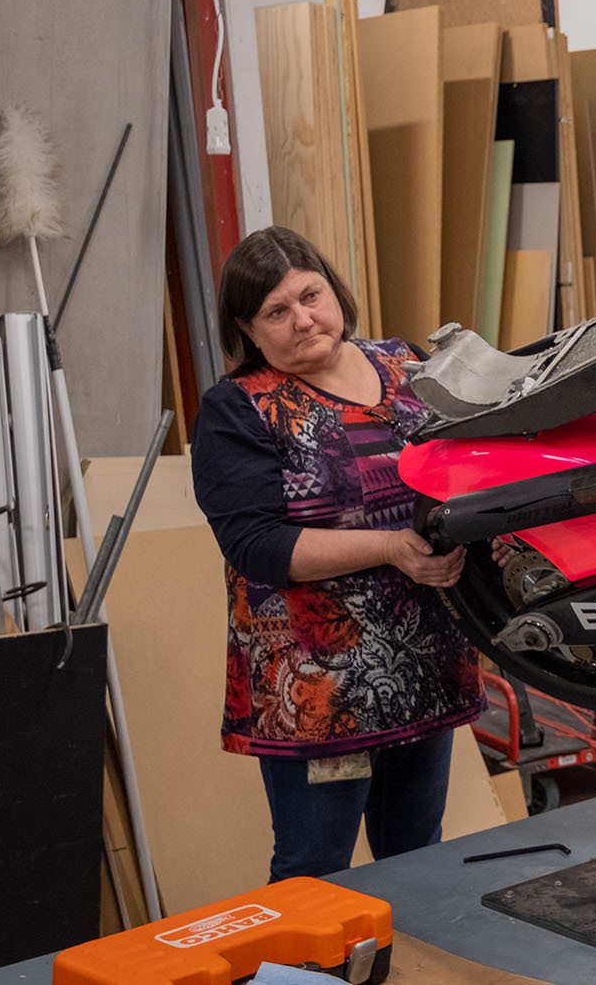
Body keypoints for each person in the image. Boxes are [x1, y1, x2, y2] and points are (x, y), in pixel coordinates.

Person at [192, 226, 482, 882]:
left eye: (310, 295)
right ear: (250, 330)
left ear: (333, 288)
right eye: (276, 311)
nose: (302, 319)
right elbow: (258, 546)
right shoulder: (238, 409)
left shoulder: (406, 365)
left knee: (416, 862)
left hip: (424, 664)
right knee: (312, 871)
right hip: (319, 689)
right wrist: (390, 547)